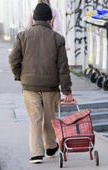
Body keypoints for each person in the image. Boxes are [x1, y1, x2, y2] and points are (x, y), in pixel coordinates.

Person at [9, 3, 74, 164]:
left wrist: (19, 75)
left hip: (29, 86)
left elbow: (13, 60)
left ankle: (36, 154)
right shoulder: (58, 39)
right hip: (51, 87)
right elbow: (63, 68)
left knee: (34, 119)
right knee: (50, 118)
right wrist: (67, 91)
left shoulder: (22, 36)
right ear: (50, 20)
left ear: (33, 18)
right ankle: (51, 146)